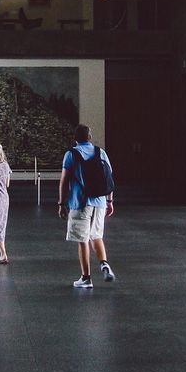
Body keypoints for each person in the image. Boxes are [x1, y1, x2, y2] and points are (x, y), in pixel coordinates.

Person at [58, 124, 115, 289]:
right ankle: (104, 263)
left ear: (75, 138)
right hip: (100, 202)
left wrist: (61, 204)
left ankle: (86, 278)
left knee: (82, 240)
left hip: (80, 202)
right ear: (90, 137)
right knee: (96, 236)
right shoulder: (100, 152)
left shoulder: (71, 154)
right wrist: (109, 201)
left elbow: (64, 182)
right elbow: (109, 178)